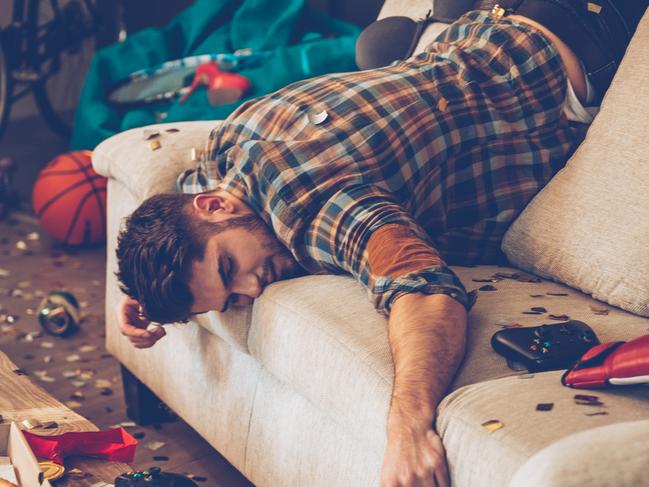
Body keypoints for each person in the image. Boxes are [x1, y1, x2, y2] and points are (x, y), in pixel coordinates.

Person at [114, 2, 647, 486]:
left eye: (230, 268)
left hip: (586, 37)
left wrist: (408, 427)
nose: (252, 288)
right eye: (230, 299)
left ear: (215, 208)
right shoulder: (229, 147)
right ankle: (423, 39)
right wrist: (152, 292)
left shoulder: (312, 208)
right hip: (493, 30)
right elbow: (177, 205)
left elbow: (426, 291)